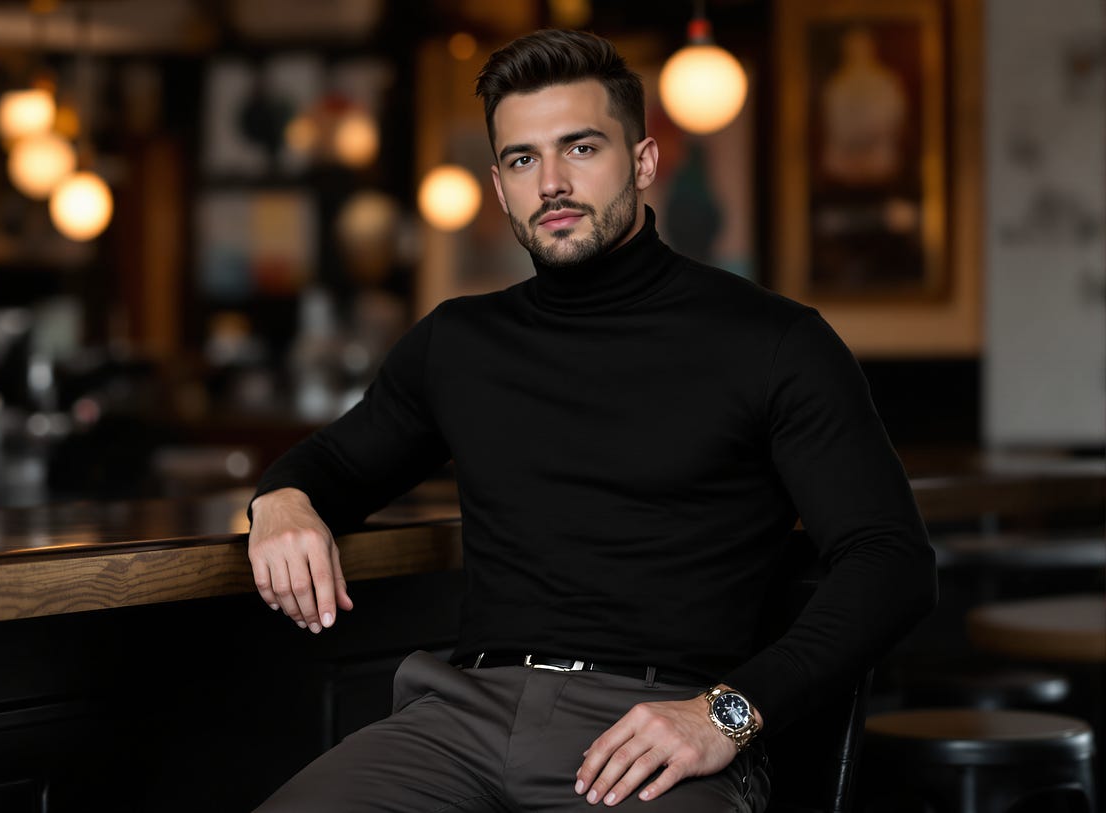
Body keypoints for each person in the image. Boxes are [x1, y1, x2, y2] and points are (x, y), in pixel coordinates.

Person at [246, 29, 935, 812]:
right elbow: (332, 464)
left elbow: (893, 561)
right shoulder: (459, 341)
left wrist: (726, 714)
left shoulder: (774, 340)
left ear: (642, 162)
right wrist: (282, 501)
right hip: (458, 718)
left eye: (580, 148)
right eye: (522, 159)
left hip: (658, 730)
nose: (551, 184)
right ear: (500, 187)